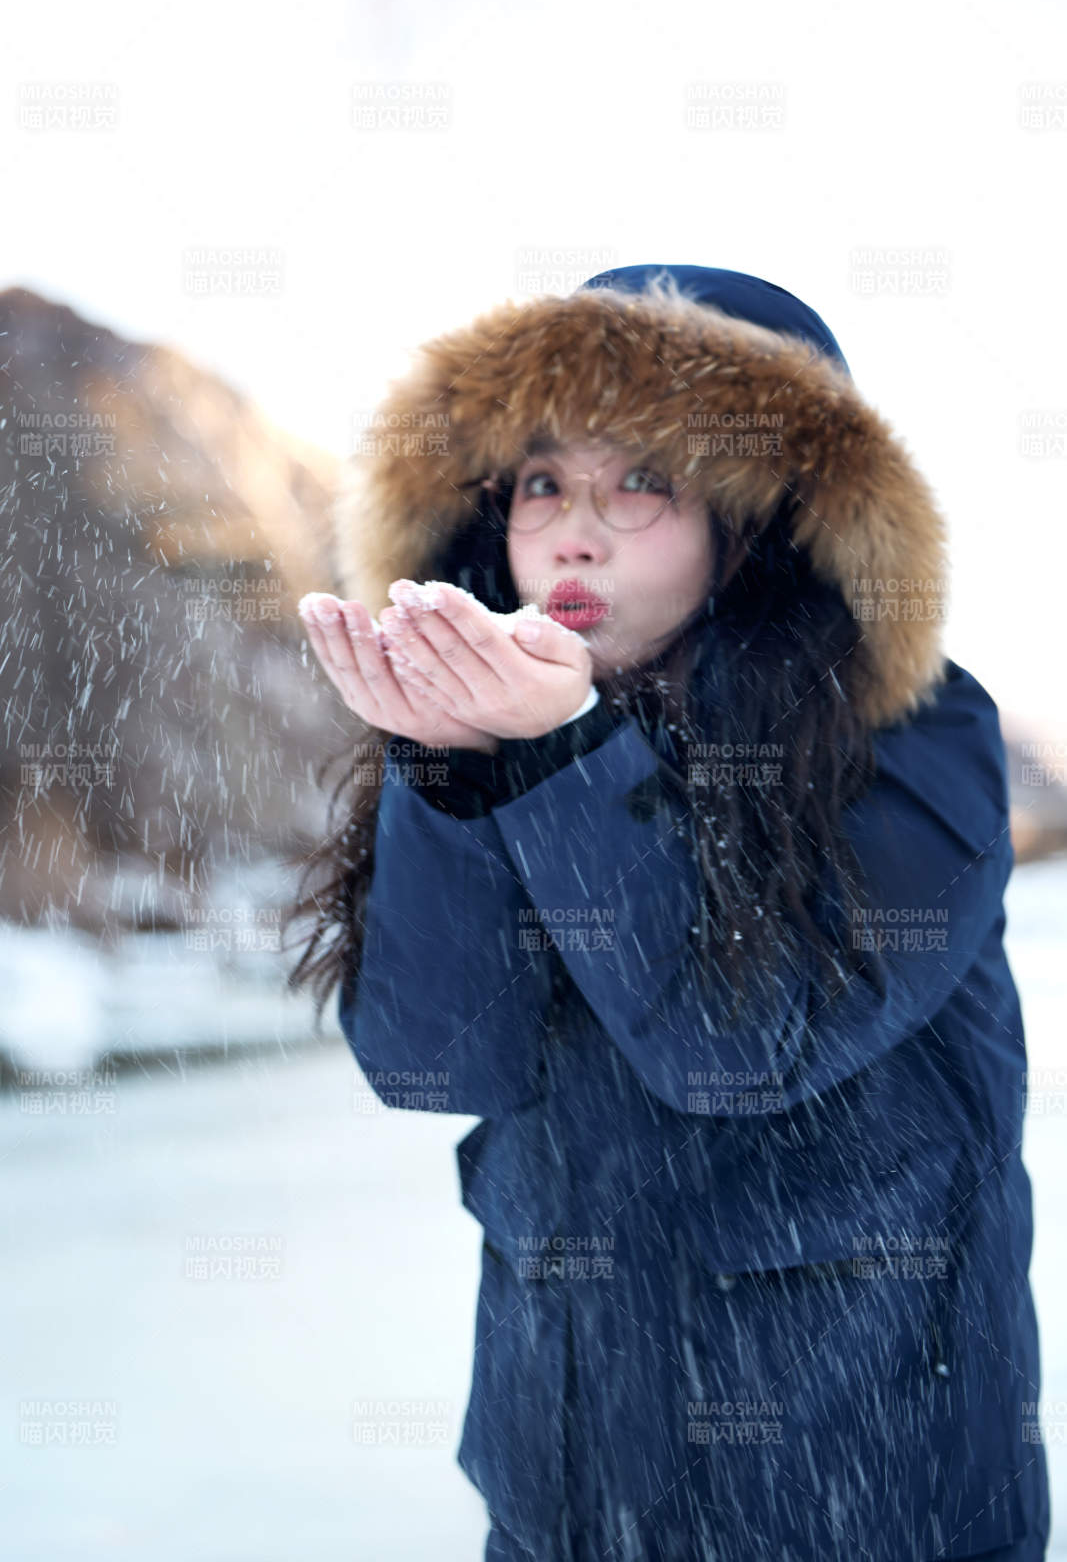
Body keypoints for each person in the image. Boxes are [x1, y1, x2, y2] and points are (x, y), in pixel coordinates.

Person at [286, 265, 1050, 1560]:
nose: (574, 534)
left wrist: (556, 761)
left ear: (756, 521)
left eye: (641, 481)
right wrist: (447, 774)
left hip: (867, 1516)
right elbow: (430, 1059)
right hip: (563, 1512)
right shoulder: (517, 735)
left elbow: (738, 1042)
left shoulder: (914, 739)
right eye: (542, 483)